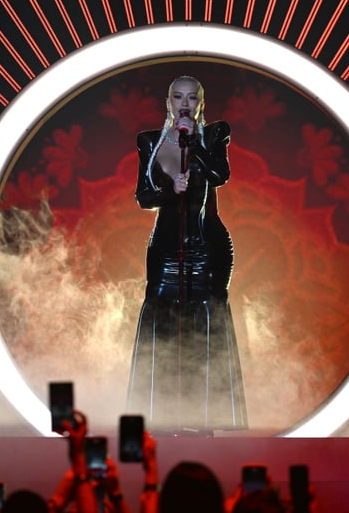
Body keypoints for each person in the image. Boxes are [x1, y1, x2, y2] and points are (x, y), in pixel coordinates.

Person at [125, 75, 247, 433]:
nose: (184, 103)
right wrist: (169, 192)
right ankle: (160, 421)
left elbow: (219, 174)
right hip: (164, 250)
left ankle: (206, 421)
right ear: (167, 102)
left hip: (207, 249)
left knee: (206, 325)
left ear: (201, 105)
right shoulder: (149, 141)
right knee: (161, 325)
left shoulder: (214, 135)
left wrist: (193, 141)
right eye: (178, 97)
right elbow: (143, 196)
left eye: (192, 98)